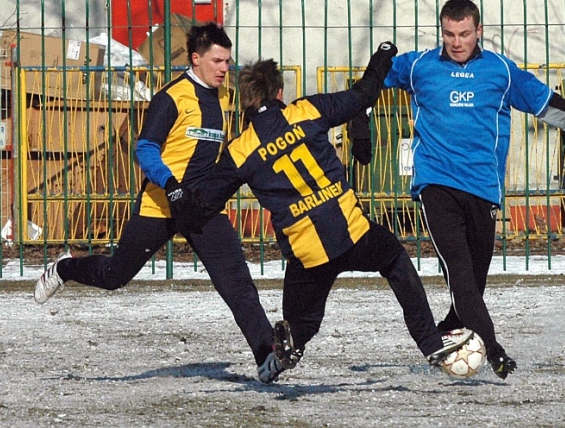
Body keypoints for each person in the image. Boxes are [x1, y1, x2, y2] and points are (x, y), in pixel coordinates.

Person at [374, 0, 565, 380]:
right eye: (448, 34)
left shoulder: (501, 72)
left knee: (473, 283)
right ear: (440, 33)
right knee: (458, 269)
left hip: (483, 189)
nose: (456, 42)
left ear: (479, 32)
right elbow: (373, 79)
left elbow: (548, 104)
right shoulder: (420, 67)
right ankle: (492, 348)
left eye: (464, 34)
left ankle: (447, 332)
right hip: (435, 185)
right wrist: (366, 99)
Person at [191, 43, 474, 384]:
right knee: (396, 260)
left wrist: (177, 193)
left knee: (302, 325)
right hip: (353, 232)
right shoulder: (306, 110)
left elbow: (205, 200)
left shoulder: (240, 149)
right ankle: (430, 343)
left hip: (307, 252)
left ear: (245, 100)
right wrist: (382, 55)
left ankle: (285, 347)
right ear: (279, 91)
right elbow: (364, 94)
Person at [33, 22, 276, 382]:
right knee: (115, 277)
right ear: (196, 59)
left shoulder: (223, 94)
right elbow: (145, 148)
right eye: (218, 61)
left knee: (237, 282)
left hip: (203, 209)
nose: (225, 68)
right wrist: (171, 185)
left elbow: (257, 93)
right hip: (162, 205)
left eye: (227, 61)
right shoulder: (172, 97)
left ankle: (267, 357)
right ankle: (66, 268)